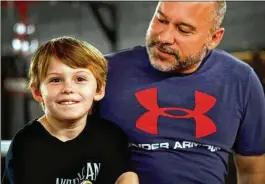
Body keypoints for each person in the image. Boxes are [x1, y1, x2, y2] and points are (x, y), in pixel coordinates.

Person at [98, 1, 265, 184]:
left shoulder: (241, 80)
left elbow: (253, 171)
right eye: (161, 20)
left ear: (214, 38)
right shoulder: (104, 72)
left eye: (184, 30)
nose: (164, 37)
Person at [4, 36, 139, 184]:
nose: (68, 88)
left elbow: (125, 176)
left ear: (99, 89)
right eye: (56, 80)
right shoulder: (27, 145)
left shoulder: (111, 136)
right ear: (37, 92)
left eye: (80, 79)